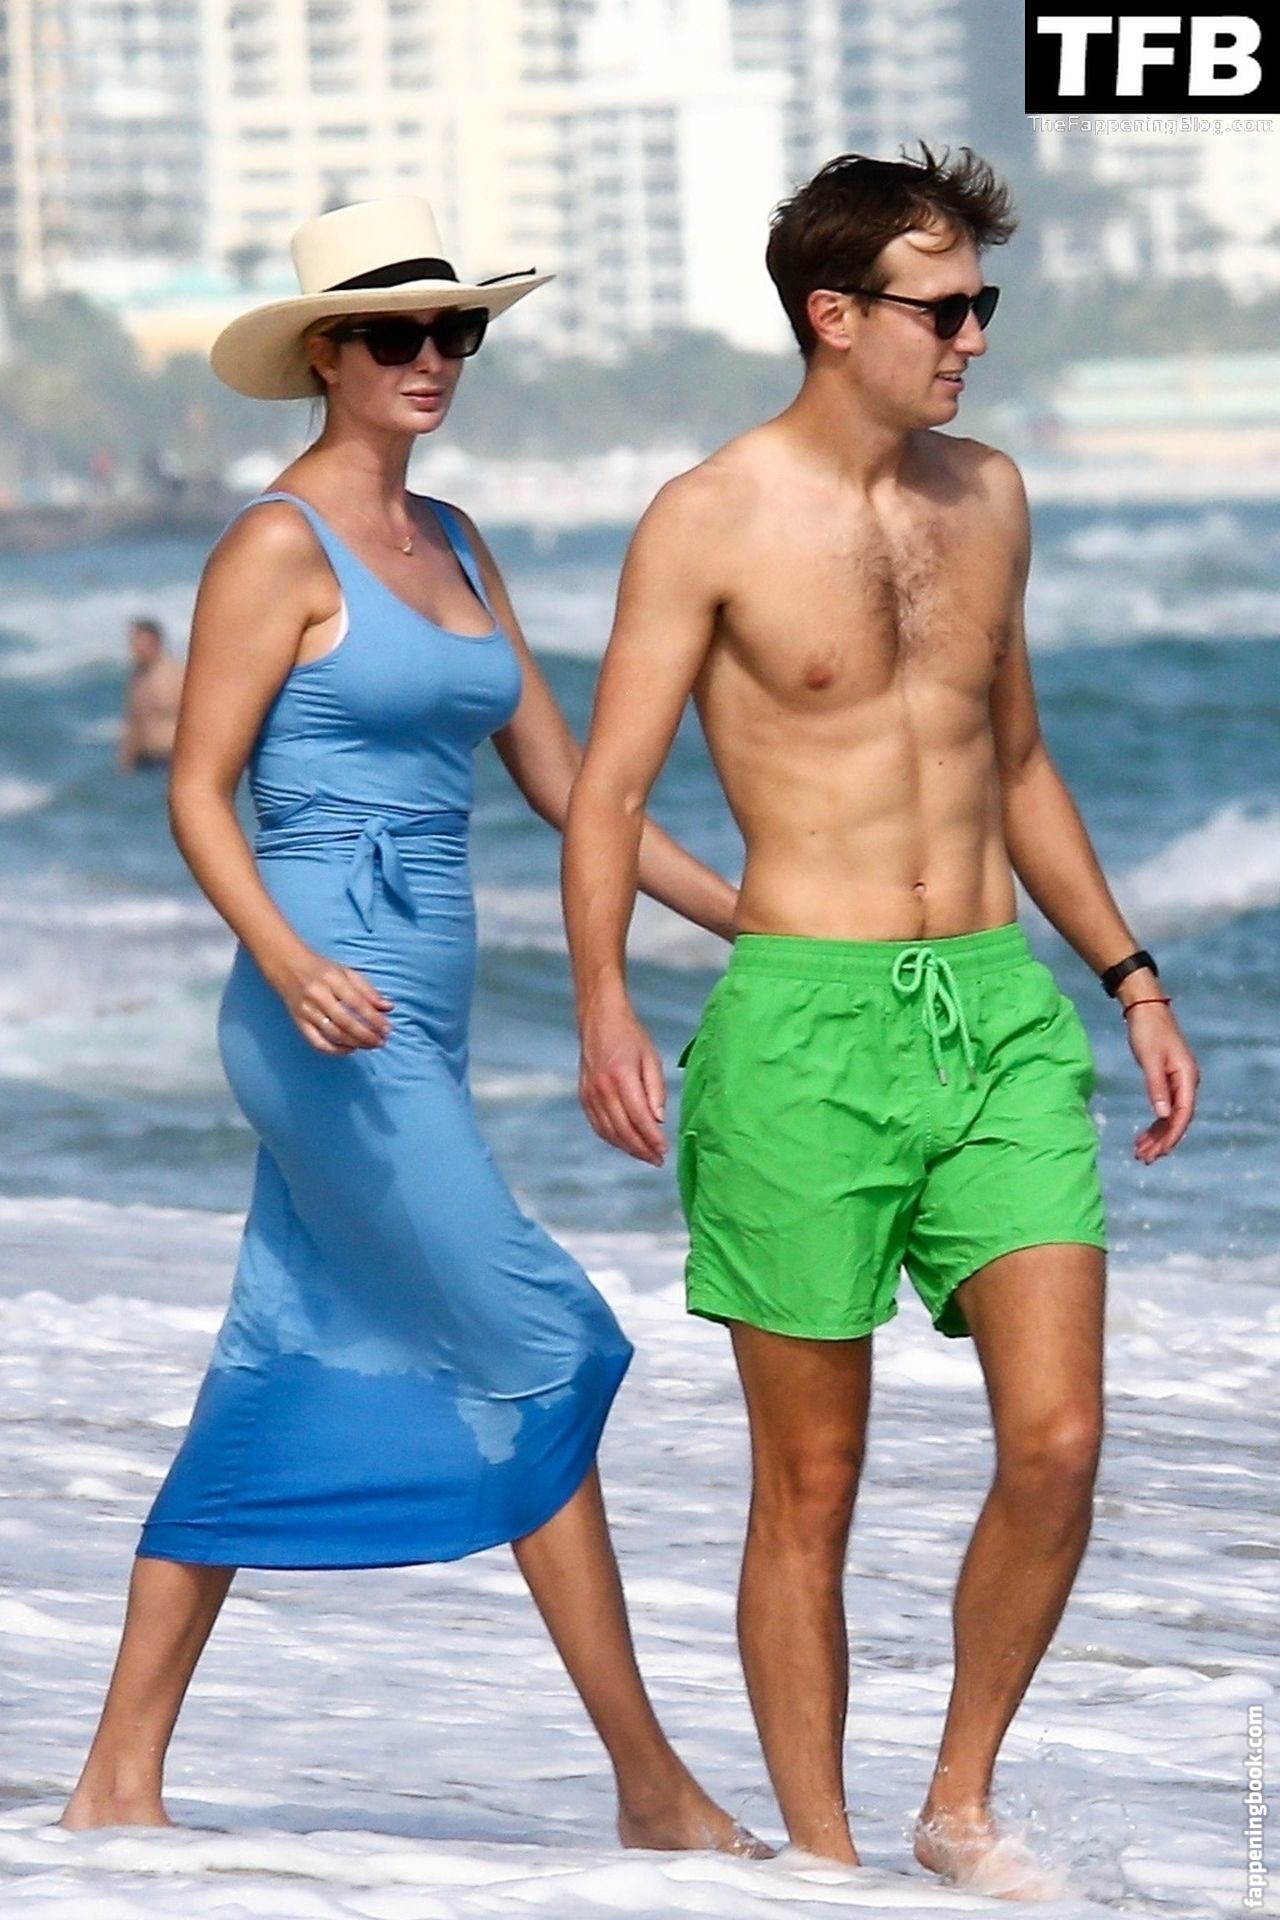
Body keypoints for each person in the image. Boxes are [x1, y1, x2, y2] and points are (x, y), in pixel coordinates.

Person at [63, 195, 755, 1858]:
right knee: (546, 1341)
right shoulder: (273, 547)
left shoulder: (453, 540)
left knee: (276, 1356)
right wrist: (288, 960)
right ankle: (652, 1789)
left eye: (457, 331)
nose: (432, 358)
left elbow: (572, 790)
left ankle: (114, 1784)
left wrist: (753, 915)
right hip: (325, 1020)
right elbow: (201, 793)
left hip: (421, 1020)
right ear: (327, 354)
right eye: (397, 333)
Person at [563, 147, 1201, 1895]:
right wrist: (606, 1002)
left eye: (985, 304)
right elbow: (608, 793)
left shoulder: (989, 496)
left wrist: (1130, 977)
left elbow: (1020, 763)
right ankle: (828, 1862)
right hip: (801, 1029)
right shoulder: (709, 516)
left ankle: (958, 1805)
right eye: (946, 308)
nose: (974, 338)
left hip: (995, 1013)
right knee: (813, 1483)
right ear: (834, 316)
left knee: (1059, 1442)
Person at [118, 617, 184, 771]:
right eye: (133, 642)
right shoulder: (138, 677)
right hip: (145, 761)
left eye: (139, 641)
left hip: (170, 759)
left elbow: (198, 719)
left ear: (154, 641)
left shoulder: (176, 675)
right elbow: (134, 721)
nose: (134, 647)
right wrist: (126, 759)